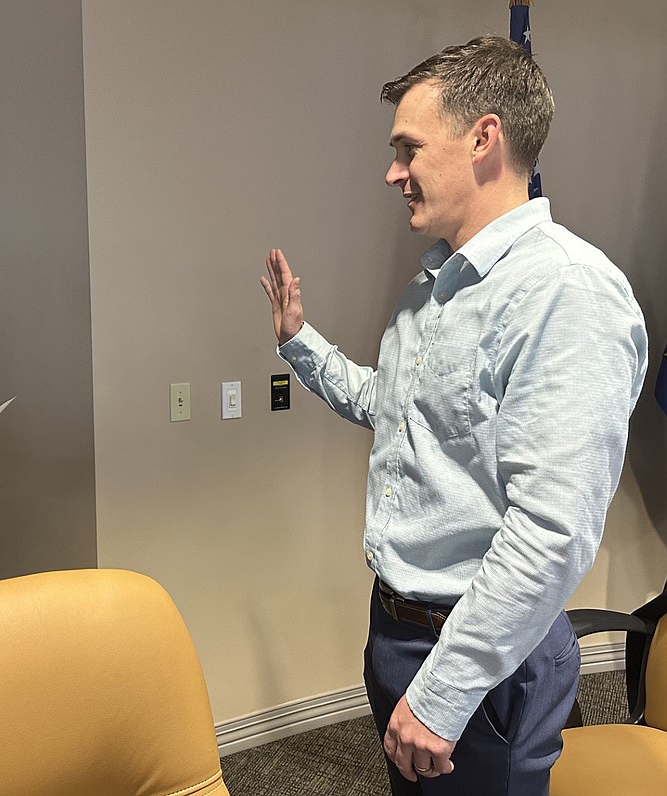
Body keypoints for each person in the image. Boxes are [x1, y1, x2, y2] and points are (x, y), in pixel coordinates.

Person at [260, 36, 647, 795]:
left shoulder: (566, 292)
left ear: (483, 138)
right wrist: (297, 343)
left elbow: (553, 527)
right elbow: (392, 411)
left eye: (407, 148)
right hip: (400, 631)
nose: (391, 172)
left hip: (481, 657)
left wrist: (443, 691)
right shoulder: (432, 289)